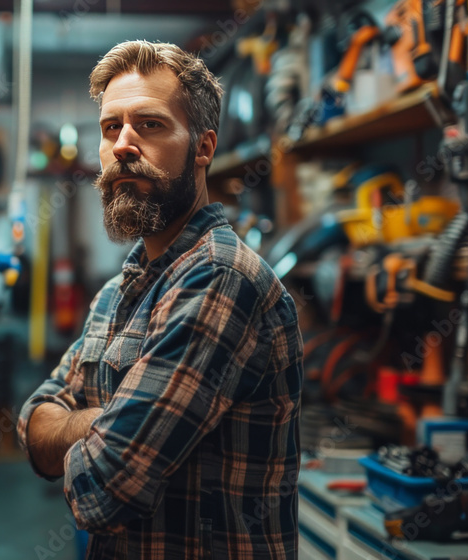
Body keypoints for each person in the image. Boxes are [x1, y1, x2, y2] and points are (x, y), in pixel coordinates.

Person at [17, 40, 303, 559]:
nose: (123, 144)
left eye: (149, 124)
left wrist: (83, 423)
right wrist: (106, 421)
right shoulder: (117, 292)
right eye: (111, 128)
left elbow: (107, 487)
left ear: (203, 148)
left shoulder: (219, 278)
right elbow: (32, 422)